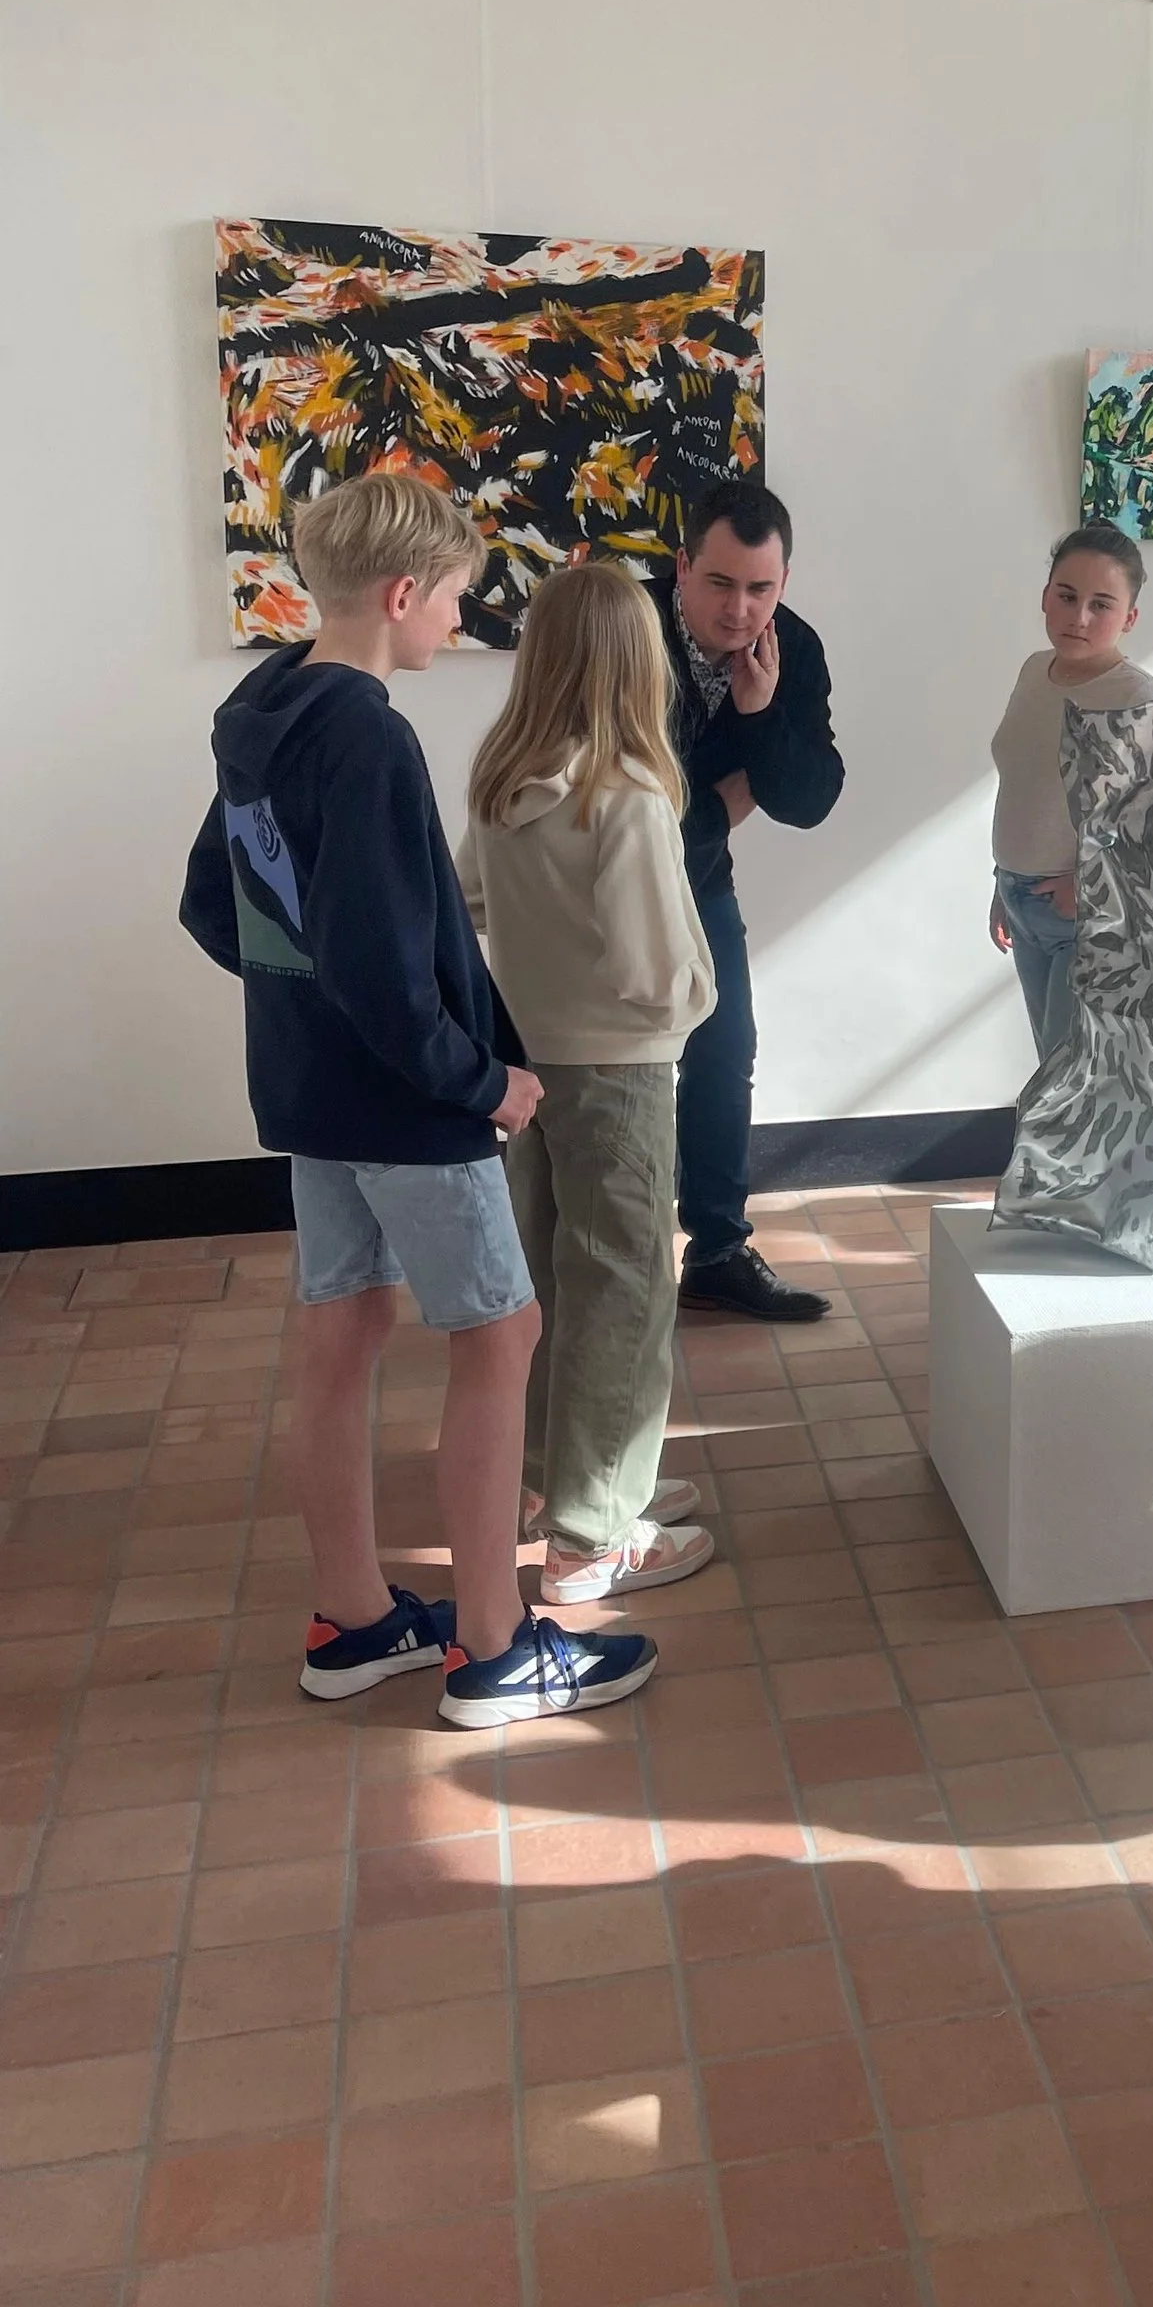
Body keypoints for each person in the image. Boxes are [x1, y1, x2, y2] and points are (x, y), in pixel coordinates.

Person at [178, 471, 656, 1728]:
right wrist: (482, 1082)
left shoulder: (260, 705)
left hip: (312, 1096)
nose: (458, 624)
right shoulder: (369, 734)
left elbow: (213, 903)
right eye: (453, 601)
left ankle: (353, 1618)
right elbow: (386, 972)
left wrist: (303, 1010)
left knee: (340, 1336)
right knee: (502, 1339)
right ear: (401, 594)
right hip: (409, 1107)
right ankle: (497, 1649)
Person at [460, 562, 719, 1607]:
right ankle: (593, 1535)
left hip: (528, 1066)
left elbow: (468, 897)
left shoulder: (500, 775)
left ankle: (555, 1482)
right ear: (635, 662)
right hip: (620, 1072)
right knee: (625, 1290)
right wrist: (697, 1003)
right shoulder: (627, 791)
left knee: (551, 1275)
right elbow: (656, 969)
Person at [651, 481, 847, 1324]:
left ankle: (718, 1251)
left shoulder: (789, 649)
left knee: (726, 1048)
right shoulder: (622, 623)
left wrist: (761, 717)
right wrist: (722, 802)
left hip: (697, 877)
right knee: (606, 1067)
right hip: (590, 879)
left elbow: (810, 796)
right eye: (721, 584)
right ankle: (587, 1246)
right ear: (683, 566)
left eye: (761, 588)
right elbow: (599, 777)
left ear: (784, 580)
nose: (740, 610)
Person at [990, 523, 1153, 1059]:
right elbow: (1026, 787)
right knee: (1054, 1065)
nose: (1079, 617)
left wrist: (1088, 887)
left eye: (1101, 604)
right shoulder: (1032, 671)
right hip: (1020, 899)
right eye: (1067, 597)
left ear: (1129, 618)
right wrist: (1003, 886)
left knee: (1073, 1081)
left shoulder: (1139, 696)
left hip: (1086, 913)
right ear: (1046, 596)